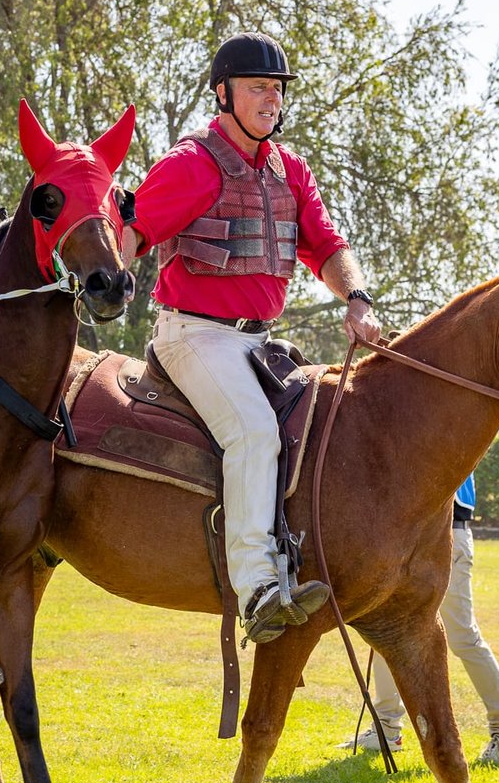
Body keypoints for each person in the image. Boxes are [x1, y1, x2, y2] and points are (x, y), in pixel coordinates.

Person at [122, 32, 383, 645]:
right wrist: (107, 276)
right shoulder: (190, 163)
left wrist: (357, 297)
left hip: (259, 344)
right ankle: (258, 588)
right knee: (254, 432)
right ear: (223, 93)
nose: (271, 100)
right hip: (193, 336)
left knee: (319, 429)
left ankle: (296, 557)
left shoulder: (292, 171)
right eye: (257, 87)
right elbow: (133, 229)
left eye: (277, 89)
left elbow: (328, 246)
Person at [342, 474, 499, 765]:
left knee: (463, 637)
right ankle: (387, 729)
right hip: (413, 536)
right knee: (385, 631)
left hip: (445, 534)